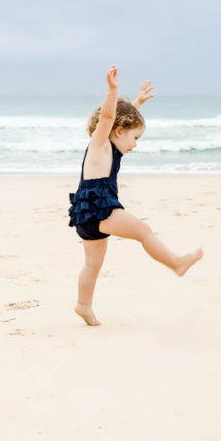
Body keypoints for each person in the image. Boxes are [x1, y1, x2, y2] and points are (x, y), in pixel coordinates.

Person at [68, 66, 203, 326]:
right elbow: (109, 117)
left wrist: (137, 102)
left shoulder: (112, 145)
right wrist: (112, 90)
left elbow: (119, 118)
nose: (136, 144)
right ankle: (175, 263)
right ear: (119, 131)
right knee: (143, 230)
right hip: (99, 210)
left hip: (87, 215)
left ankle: (83, 305)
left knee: (92, 265)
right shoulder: (101, 144)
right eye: (136, 137)